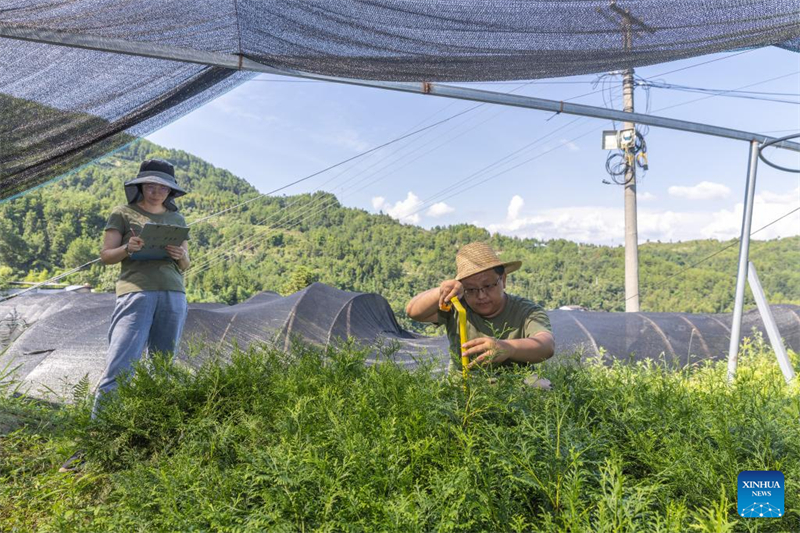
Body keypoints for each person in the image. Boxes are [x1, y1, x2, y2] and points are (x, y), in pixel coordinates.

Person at [60, 159, 190, 472]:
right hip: (136, 291)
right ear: (140, 186)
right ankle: (96, 444)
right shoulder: (122, 213)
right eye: (151, 185)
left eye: (163, 186)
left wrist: (182, 255)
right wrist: (129, 248)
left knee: (163, 367)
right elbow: (106, 256)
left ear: (170, 190)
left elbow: (185, 266)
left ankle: (151, 441)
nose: (157, 191)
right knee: (121, 366)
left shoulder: (176, 217)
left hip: (174, 293)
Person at [406, 241, 554, 373]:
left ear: (503, 280)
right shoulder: (457, 307)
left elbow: (546, 345)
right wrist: (441, 292)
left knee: (542, 386)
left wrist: (508, 348)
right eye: (471, 289)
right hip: (464, 388)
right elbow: (413, 311)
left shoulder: (526, 311)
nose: (481, 295)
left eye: (488, 285)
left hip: (516, 390)